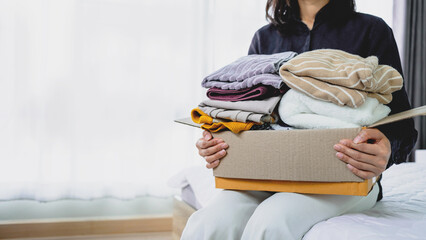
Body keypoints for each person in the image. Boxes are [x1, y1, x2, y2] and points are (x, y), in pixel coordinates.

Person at [182, 0, 418, 239]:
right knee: (207, 225)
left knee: (271, 223)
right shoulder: (265, 38)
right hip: (264, 174)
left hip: (344, 177)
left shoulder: (371, 30)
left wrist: (387, 150)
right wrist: (217, 141)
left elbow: (402, 124)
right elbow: (246, 114)